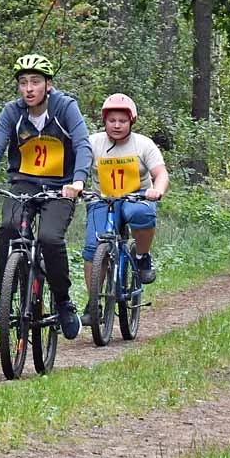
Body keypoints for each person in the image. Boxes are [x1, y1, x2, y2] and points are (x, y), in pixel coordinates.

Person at [0, 53, 92, 340]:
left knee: (50, 238)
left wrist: (78, 181)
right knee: (9, 229)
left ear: (48, 84)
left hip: (61, 186)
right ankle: (4, 300)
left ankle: (63, 301)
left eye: (35, 82)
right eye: (23, 82)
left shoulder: (65, 108)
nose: (28, 88)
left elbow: (83, 144)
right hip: (24, 183)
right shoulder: (12, 113)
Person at [80, 93, 169, 326]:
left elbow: (160, 173)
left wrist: (156, 190)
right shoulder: (93, 143)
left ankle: (141, 256)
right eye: (112, 120)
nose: (117, 125)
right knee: (92, 247)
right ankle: (93, 303)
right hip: (103, 198)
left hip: (136, 196)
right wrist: (75, 185)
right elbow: (77, 167)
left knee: (140, 214)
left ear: (131, 121)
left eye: (122, 120)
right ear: (104, 121)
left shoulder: (143, 144)